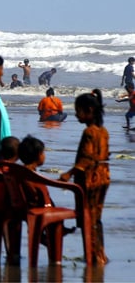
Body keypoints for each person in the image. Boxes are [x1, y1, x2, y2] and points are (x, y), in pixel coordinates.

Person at [59, 89, 110, 265]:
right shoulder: (103, 131)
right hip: (103, 177)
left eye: (78, 110)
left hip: (90, 179)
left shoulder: (89, 133)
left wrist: (69, 173)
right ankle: (100, 253)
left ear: (89, 110)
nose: (75, 114)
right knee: (96, 217)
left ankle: (93, 254)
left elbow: (87, 159)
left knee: (87, 217)